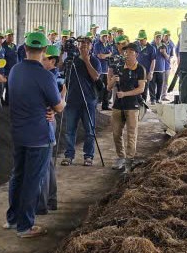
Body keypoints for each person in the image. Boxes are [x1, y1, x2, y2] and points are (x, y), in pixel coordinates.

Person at [6, 32, 65, 238]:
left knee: (17, 175)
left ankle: (12, 219)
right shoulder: (45, 76)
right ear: (44, 50)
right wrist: (61, 100)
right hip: (39, 135)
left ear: (25, 48)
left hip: (18, 132)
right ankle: (25, 226)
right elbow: (58, 106)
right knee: (32, 180)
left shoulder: (15, 70)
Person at [108, 41, 148, 171]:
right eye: (126, 52)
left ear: (136, 54)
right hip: (118, 106)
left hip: (132, 106)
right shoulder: (119, 67)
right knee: (116, 133)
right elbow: (108, 87)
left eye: (130, 52)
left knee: (131, 134)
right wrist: (113, 80)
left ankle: (129, 159)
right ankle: (121, 157)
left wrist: (125, 94)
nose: (127, 54)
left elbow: (141, 89)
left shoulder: (140, 69)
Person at [62, 36, 100, 167]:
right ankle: (69, 155)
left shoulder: (94, 60)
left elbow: (95, 77)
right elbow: (60, 69)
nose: (84, 45)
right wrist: (62, 52)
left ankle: (88, 156)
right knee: (70, 131)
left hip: (88, 100)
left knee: (89, 131)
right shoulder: (71, 59)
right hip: (72, 100)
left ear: (91, 46)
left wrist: (86, 60)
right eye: (81, 43)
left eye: (87, 44)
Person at [38, 45, 63, 215]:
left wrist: (53, 109)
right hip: (50, 118)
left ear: (52, 61)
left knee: (45, 164)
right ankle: (51, 199)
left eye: (44, 59)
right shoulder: (54, 75)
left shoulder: (51, 77)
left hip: (48, 120)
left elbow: (59, 101)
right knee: (48, 163)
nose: (41, 61)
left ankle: (45, 201)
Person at [93, 31, 116, 110]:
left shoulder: (108, 45)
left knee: (107, 88)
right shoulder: (97, 45)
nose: (105, 38)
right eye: (103, 36)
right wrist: (108, 55)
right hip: (99, 70)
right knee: (97, 88)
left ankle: (105, 105)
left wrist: (107, 55)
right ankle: (95, 105)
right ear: (100, 37)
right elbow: (100, 56)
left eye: (106, 36)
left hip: (106, 69)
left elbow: (110, 55)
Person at [149, 31, 170, 104]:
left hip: (161, 69)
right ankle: (152, 99)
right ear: (154, 37)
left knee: (160, 85)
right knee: (152, 85)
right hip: (153, 69)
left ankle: (158, 98)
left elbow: (168, 58)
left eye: (159, 37)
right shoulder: (151, 46)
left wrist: (164, 53)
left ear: (161, 38)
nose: (158, 38)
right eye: (157, 37)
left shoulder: (164, 46)